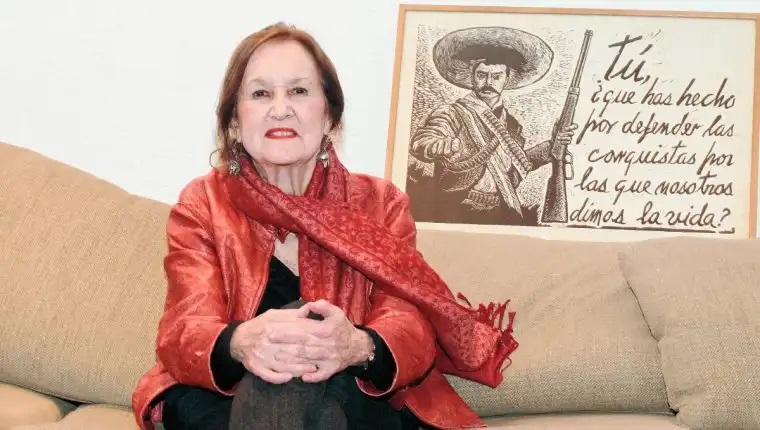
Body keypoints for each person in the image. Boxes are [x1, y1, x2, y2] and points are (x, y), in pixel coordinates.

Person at [132, 22, 518, 430]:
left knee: (318, 371)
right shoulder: (203, 203)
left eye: (299, 91)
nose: (281, 108)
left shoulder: (381, 203)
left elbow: (409, 323)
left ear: (330, 116)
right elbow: (185, 328)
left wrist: (356, 345)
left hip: (350, 388)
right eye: (261, 93)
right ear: (233, 123)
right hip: (227, 393)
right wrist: (243, 342)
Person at [406, 26, 577, 226]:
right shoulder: (452, 113)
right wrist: (437, 145)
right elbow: (423, 139)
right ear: (472, 77)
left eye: (496, 76)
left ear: (507, 79)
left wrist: (551, 147)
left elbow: (514, 167)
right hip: (456, 210)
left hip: (502, 211)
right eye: (481, 75)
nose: (488, 82)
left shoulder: (511, 125)